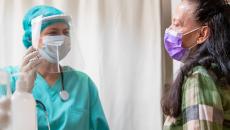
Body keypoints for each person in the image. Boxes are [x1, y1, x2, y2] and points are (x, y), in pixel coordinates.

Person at [0, 5, 109, 130]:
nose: (62, 38)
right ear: (32, 38)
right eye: (53, 32)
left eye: (66, 32)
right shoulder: (7, 79)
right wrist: (24, 91)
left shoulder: (83, 83)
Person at [162, 0, 230, 129]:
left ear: (202, 34)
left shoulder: (199, 77)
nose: (170, 30)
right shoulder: (219, 73)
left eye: (177, 24)